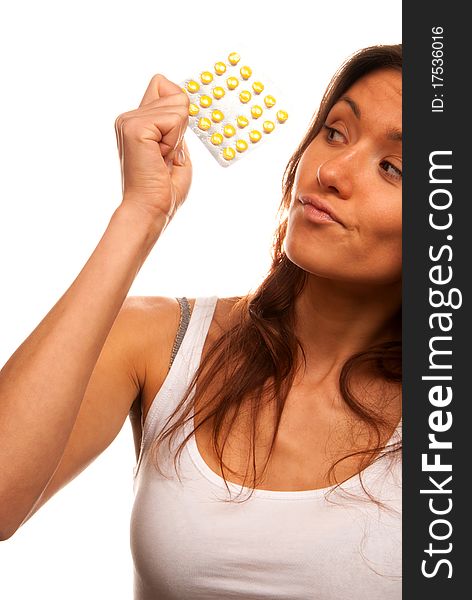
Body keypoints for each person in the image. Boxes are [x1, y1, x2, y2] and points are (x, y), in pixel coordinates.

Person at [0, 43, 402, 599]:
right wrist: (141, 213)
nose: (330, 171)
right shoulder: (164, 342)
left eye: (393, 169)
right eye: (335, 132)